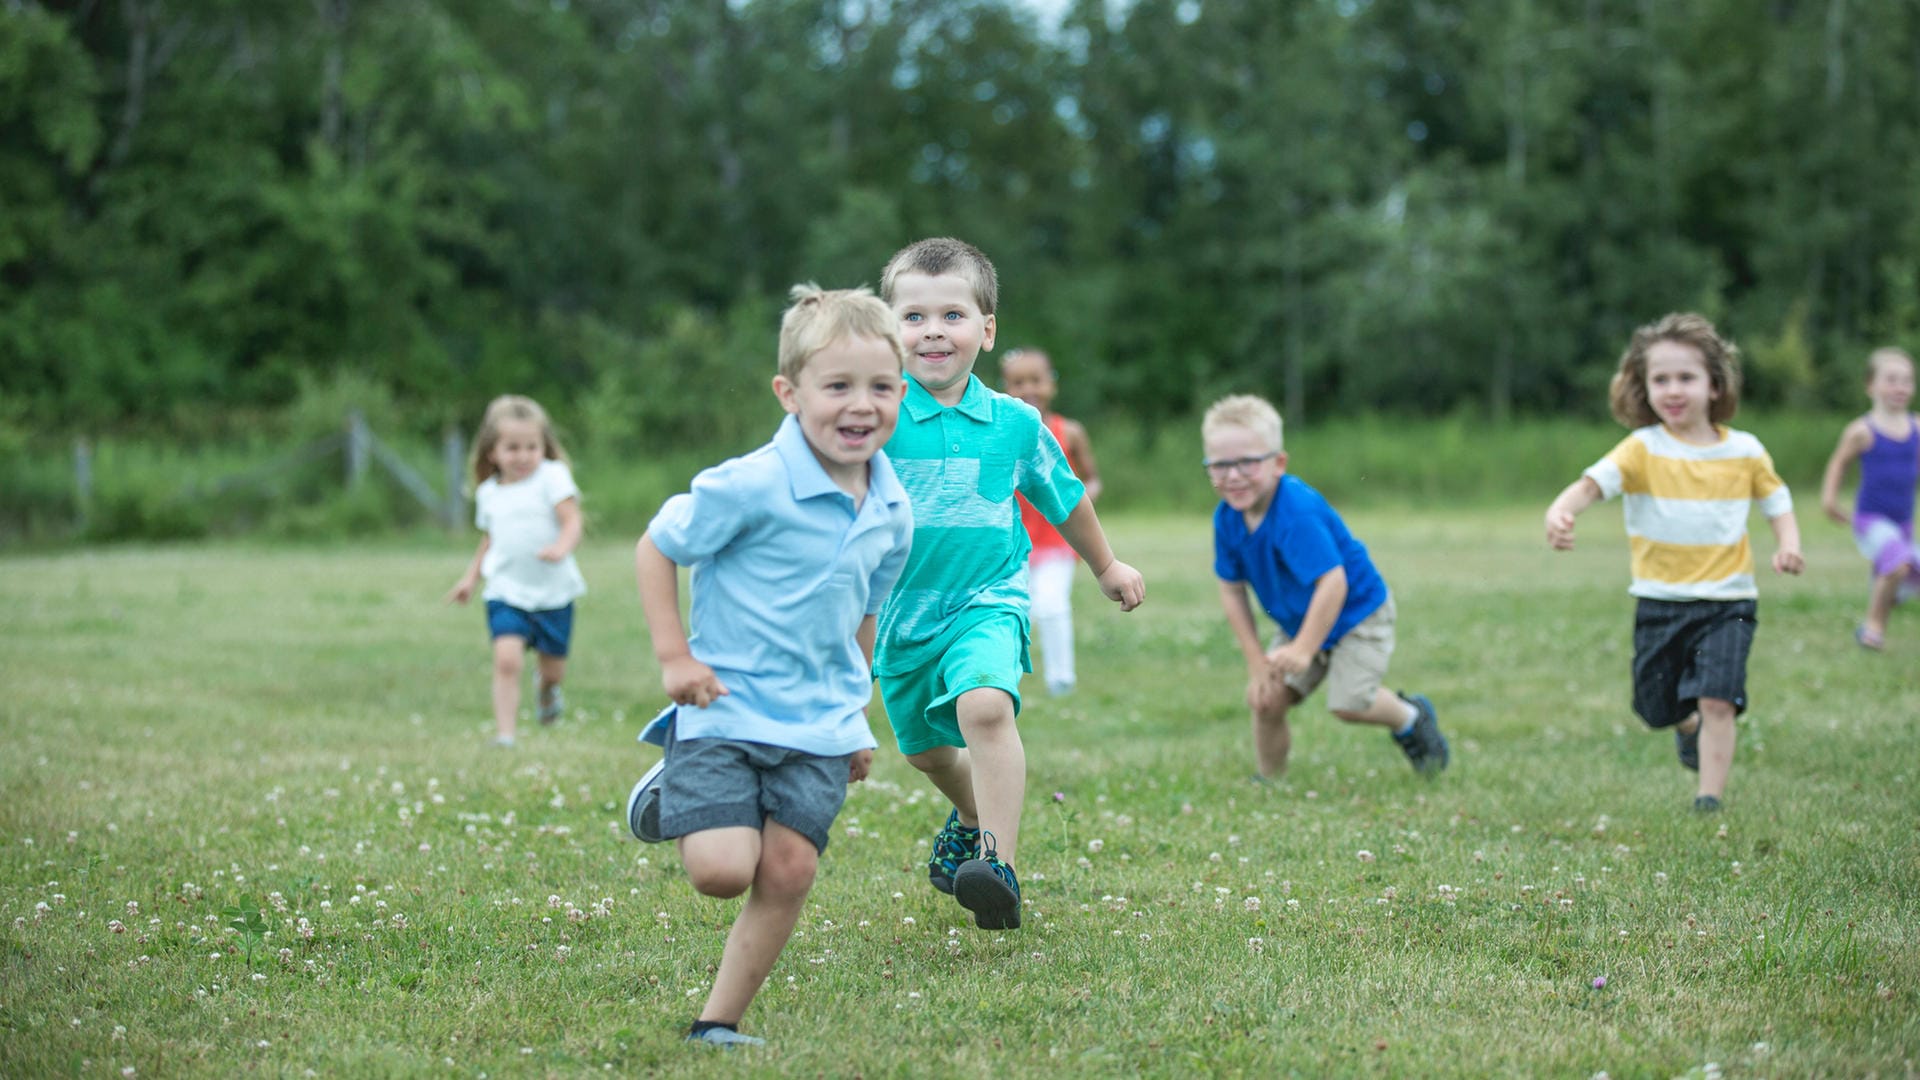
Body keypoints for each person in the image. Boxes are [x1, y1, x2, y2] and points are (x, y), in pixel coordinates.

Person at [622, 285, 913, 1049]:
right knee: (723, 870)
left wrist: (857, 721)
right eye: (838, 386)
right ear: (790, 393)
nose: (861, 405)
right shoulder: (749, 483)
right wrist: (674, 657)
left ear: (902, 393)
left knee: (788, 873)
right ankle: (679, 782)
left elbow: (864, 619)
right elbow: (657, 546)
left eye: (880, 386)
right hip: (727, 706)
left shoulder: (892, 508)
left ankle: (717, 1022)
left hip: (819, 722)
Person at [877, 237, 1144, 932]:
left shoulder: (1016, 425)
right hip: (902, 617)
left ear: (986, 330)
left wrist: (1106, 565)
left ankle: (997, 867)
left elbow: (1066, 497)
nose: (933, 330)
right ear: (887, 327)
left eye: (952, 315)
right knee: (925, 750)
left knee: (987, 707)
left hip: (986, 598)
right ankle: (967, 814)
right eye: (913, 317)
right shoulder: (873, 417)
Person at [1545, 312, 1804, 812]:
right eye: (1660, 379)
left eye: (1686, 377)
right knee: (1654, 706)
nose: (1673, 389)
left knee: (1718, 699)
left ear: (1714, 384)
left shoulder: (1745, 450)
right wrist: (1562, 509)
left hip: (1728, 601)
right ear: (1643, 388)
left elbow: (1777, 502)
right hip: (1660, 601)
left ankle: (1709, 797)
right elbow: (1591, 484)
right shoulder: (1643, 448)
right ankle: (1685, 727)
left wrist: (1788, 542)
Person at [1203, 394, 1449, 784]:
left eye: (1248, 462)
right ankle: (1270, 780)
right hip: (1302, 617)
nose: (1233, 475)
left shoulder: (1295, 511)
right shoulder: (1227, 520)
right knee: (1266, 700)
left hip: (1356, 613)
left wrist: (1304, 650)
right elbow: (1231, 590)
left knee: (1349, 704)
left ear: (1278, 463)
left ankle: (1411, 717)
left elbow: (1333, 582)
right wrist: (1256, 663)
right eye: (1220, 464)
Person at [446, 395, 586, 747]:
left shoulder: (552, 477)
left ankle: (547, 690)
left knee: (554, 671)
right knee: (506, 660)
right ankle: (505, 735)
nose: (523, 456)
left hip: (554, 592)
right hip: (506, 591)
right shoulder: (489, 493)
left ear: (544, 447)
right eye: (512, 448)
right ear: (492, 451)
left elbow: (572, 521)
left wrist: (561, 547)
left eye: (531, 447)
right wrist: (470, 578)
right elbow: (490, 539)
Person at [1000, 347, 1103, 697]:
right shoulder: (1003, 431)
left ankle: (1061, 679)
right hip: (1016, 540)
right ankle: (1007, 676)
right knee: (1017, 608)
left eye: (1036, 380)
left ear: (1052, 384)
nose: (1028, 388)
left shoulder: (1069, 431)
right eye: (1017, 382)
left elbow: (1092, 479)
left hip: (1059, 539)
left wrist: (1080, 503)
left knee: (1053, 603)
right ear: (1004, 387)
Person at [1818, 346, 1920, 650]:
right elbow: (1838, 463)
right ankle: (1872, 629)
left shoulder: (1917, 428)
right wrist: (1829, 501)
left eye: (1907, 380)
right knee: (1898, 564)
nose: (1900, 388)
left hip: (1903, 523)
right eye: (1891, 380)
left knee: (1903, 571)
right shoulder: (1862, 431)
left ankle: (1893, 590)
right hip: (1869, 520)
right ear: (1870, 385)